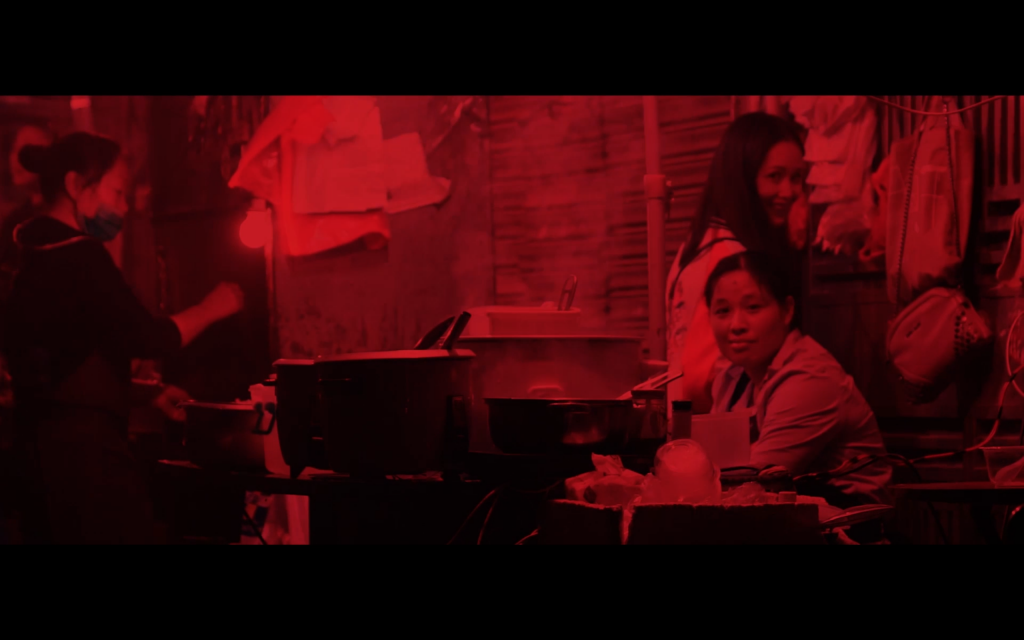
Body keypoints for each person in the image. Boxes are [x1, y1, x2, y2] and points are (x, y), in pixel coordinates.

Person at [2, 132, 245, 544]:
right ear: (77, 185)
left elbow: (66, 359)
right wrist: (213, 307)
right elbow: (149, 338)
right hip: (88, 461)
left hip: (37, 458)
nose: (126, 206)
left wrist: (144, 392)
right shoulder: (80, 256)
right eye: (117, 192)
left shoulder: (30, 258)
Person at [704, 251, 892, 516]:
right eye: (723, 311)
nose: (736, 325)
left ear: (787, 310)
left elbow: (751, 481)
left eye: (753, 307)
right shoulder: (731, 378)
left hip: (848, 528)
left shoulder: (810, 378)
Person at [665, 112, 808, 415]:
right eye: (775, 176)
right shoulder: (734, 261)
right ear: (743, 177)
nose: (789, 191)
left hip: (686, 423)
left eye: (797, 178)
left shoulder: (698, 244)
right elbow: (702, 375)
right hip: (718, 427)